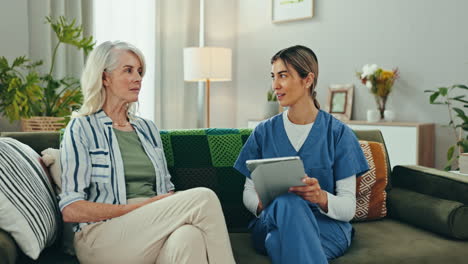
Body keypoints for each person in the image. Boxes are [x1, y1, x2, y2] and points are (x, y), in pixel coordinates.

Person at [59, 41, 236, 264]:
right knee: (204, 197)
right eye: (128, 70)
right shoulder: (81, 128)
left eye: (140, 71)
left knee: (188, 237)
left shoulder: (147, 129)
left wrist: (155, 207)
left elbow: (165, 189)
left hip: (148, 230)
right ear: (105, 78)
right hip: (102, 236)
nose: (138, 78)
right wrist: (133, 208)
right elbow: (71, 209)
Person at [234, 45, 369, 264]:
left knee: (278, 241)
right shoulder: (263, 132)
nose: (275, 85)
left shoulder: (339, 134)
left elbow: (348, 208)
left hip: (325, 227)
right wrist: (262, 204)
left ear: (308, 80)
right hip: (273, 220)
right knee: (287, 202)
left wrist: (320, 197)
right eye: (273, 76)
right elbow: (248, 192)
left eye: (283, 76)